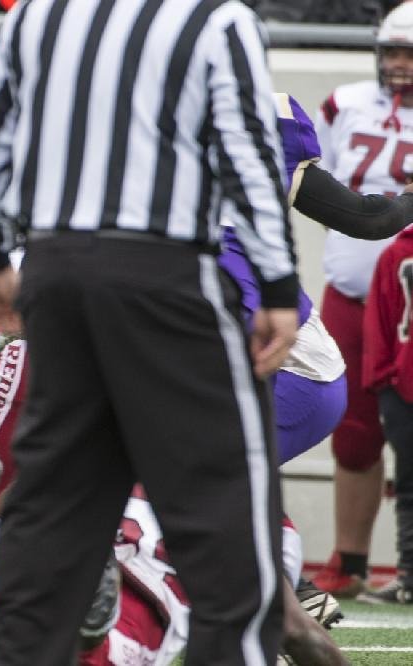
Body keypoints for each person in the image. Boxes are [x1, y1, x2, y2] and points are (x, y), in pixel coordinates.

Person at [0, 1, 300, 663]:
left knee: (53, 512)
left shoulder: (38, 15)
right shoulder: (214, 20)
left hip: (54, 269)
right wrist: (279, 285)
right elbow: (250, 154)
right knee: (227, 518)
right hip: (164, 275)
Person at [0, 436, 350, 666]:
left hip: (26, 582)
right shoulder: (243, 505)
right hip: (129, 621)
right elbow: (294, 628)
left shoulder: (87, 451)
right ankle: (87, 621)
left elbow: (14, 507)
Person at [312, 1, 413, 600]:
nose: (399, 65)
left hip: (408, 306)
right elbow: (314, 178)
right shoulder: (343, 103)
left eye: (411, 54)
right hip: (349, 291)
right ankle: (349, 559)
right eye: (392, 52)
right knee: (350, 429)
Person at [360, 225, 413, 604]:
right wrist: (382, 379)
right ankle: (409, 575)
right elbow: (379, 318)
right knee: (409, 485)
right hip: (403, 385)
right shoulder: (396, 252)